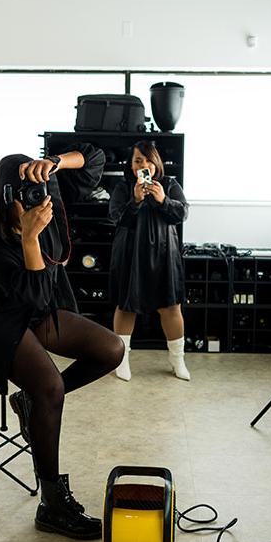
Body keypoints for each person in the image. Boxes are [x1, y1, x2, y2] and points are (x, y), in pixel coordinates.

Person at [0, 146, 123, 540]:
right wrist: (31, 237)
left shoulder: (50, 198)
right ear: (5, 195)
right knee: (50, 386)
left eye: (37, 185)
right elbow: (32, 295)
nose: (36, 195)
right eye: (23, 189)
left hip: (37, 311)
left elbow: (96, 158)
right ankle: (52, 504)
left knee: (112, 349)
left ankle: (31, 401)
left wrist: (54, 163)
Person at [109, 140, 190, 381]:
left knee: (171, 306)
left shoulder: (170, 184)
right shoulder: (123, 187)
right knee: (126, 305)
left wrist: (163, 199)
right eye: (137, 161)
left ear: (156, 163)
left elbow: (182, 213)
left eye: (148, 160)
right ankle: (121, 360)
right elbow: (116, 217)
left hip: (165, 253)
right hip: (130, 254)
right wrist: (135, 200)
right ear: (131, 165)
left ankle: (178, 360)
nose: (143, 165)